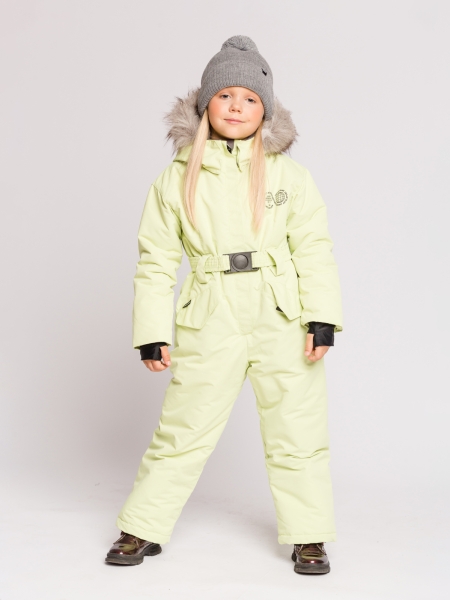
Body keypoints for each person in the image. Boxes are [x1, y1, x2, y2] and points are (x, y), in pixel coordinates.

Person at [105, 35, 343, 575]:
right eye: (225, 95)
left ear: (266, 110)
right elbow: (156, 260)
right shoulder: (175, 179)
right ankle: (142, 526)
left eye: (250, 98)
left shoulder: (289, 177)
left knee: (298, 427)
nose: (237, 106)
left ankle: (309, 535)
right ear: (205, 103)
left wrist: (322, 318)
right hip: (210, 313)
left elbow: (314, 248)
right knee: (183, 426)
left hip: (281, 314)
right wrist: (151, 332)